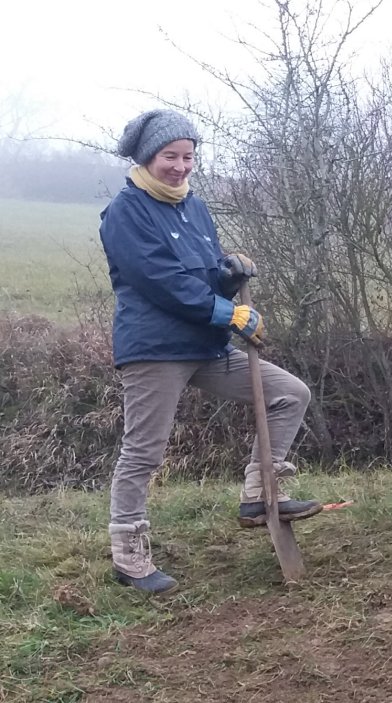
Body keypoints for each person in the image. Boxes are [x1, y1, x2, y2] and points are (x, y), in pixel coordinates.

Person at [99, 109, 321, 594]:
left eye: (188, 157)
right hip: (155, 349)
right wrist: (228, 313)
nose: (179, 167)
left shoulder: (192, 207)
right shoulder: (126, 211)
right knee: (144, 450)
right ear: (147, 157)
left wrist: (227, 272)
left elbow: (200, 274)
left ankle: (261, 492)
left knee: (290, 394)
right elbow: (162, 282)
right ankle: (129, 554)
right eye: (169, 157)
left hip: (205, 346)